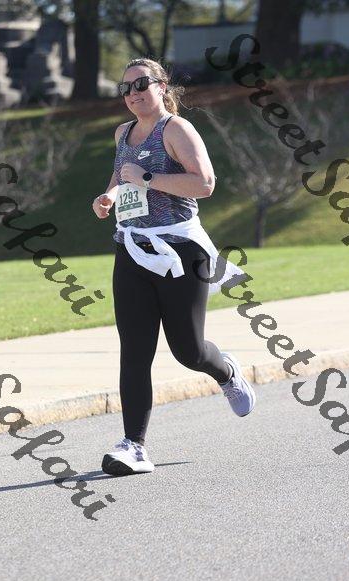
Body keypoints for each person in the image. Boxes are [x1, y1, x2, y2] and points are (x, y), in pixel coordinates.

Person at [92, 57, 256, 477]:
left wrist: (147, 177)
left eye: (141, 84)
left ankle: (225, 371)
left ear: (161, 86)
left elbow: (204, 184)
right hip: (132, 249)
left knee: (188, 350)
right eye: (125, 87)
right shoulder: (123, 133)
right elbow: (122, 175)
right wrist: (109, 196)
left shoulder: (176, 129)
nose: (132, 93)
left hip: (181, 252)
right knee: (135, 351)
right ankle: (134, 446)